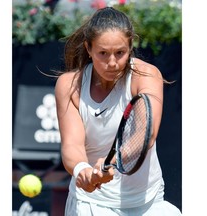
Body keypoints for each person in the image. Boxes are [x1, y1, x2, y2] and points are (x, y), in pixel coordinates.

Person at [54, 6, 182, 216]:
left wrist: (109, 161)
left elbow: (145, 134)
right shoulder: (68, 85)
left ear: (130, 46)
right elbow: (72, 146)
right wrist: (83, 171)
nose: (112, 62)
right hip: (91, 204)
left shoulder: (146, 75)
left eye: (120, 53)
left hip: (148, 202)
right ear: (88, 48)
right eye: (103, 53)